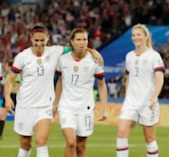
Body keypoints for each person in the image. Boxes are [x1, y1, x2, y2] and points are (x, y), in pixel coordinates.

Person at [4, 25, 103, 157]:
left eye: (42, 40)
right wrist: (7, 97)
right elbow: (10, 80)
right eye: (36, 40)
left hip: (45, 106)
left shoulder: (55, 51)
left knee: (41, 141)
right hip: (24, 106)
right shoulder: (22, 57)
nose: (39, 44)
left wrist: (92, 51)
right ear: (31, 40)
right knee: (25, 144)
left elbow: (77, 46)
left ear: (47, 39)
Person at [53, 28, 107, 157]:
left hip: (86, 108)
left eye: (85, 39)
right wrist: (55, 104)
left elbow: (101, 84)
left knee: (81, 146)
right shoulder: (63, 59)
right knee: (71, 142)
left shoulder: (95, 60)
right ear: (72, 42)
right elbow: (60, 81)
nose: (82, 43)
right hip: (66, 107)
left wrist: (104, 108)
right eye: (78, 39)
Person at [116, 24, 165, 157]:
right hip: (131, 102)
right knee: (121, 132)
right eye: (133, 35)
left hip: (148, 103)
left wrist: (154, 97)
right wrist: (127, 96)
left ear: (145, 36)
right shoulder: (129, 56)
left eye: (138, 35)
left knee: (149, 138)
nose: (135, 37)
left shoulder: (154, 56)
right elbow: (128, 78)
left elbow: (159, 79)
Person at [0, 60, 21, 140]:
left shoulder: (16, 75)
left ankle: (25, 131)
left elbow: (17, 86)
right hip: (7, 96)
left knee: (19, 115)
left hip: (14, 96)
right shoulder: (8, 75)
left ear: (10, 66)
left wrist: (10, 92)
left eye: (5, 66)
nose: (4, 67)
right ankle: (0, 134)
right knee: (2, 115)